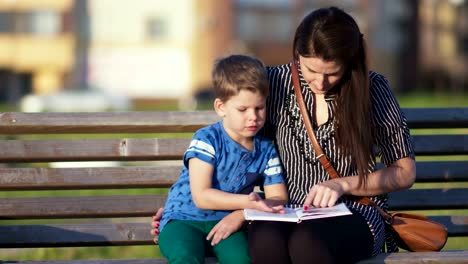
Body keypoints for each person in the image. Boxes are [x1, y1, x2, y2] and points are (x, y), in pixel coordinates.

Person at [152, 6, 416, 264]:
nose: (320, 83)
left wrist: (342, 184)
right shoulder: (274, 83)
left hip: (354, 210)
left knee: (308, 245)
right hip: (283, 210)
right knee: (265, 244)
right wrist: (188, 211)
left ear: (351, 61)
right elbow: (233, 147)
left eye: (332, 73)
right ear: (297, 54)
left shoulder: (373, 88)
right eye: (310, 70)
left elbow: (404, 172)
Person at [156, 54, 288, 264]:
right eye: (243, 109)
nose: (253, 116)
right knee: (185, 255)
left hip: (226, 221)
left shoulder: (266, 149)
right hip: (183, 219)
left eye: (259, 108)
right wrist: (249, 202)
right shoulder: (207, 139)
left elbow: (279, 197)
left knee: (242, 259)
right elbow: (202, 196)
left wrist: (247, 210)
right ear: (221, 107)